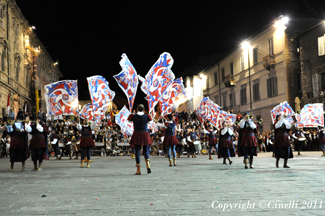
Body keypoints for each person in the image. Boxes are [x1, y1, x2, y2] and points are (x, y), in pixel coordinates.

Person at [127, 104, 152, 175]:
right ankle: (148, 165)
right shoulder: (147, 116)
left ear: (137, 109)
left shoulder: (134, 116)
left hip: (137, 133)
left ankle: (138, 170)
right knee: (146, 150)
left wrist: (132, 114)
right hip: (145, 133)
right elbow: (150, 122)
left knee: (137, 151)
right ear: (144, 109)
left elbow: (128, 121)